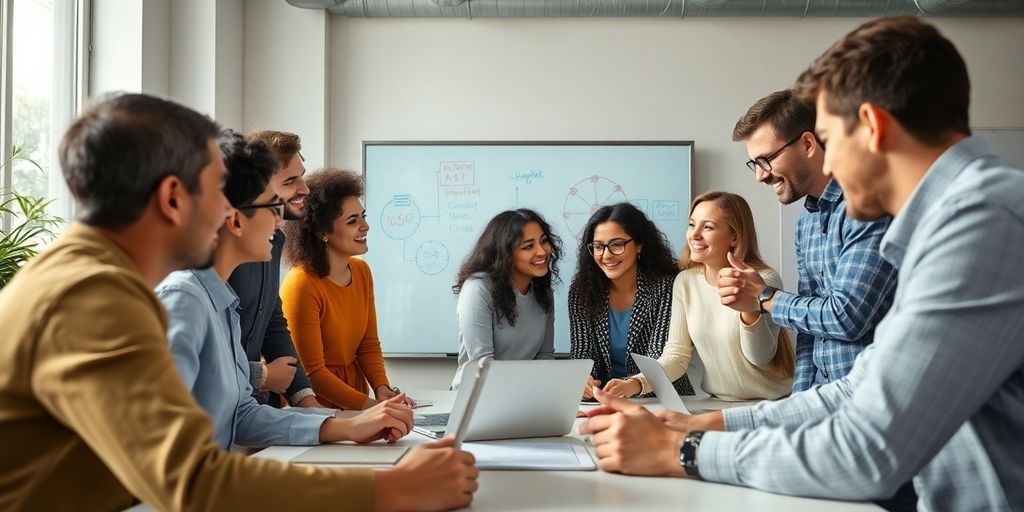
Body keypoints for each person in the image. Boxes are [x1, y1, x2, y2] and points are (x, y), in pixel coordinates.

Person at [580, 16, 1024, 512]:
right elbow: (854, 390)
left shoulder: (983, 219)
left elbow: (868, 450)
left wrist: (681, 451)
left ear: (873, 128)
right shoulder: (950, 218)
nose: (828, 168)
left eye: (831, 140)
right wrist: (702, 423)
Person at [0, 92, 477, 511]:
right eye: (217, 192)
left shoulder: (104, 280)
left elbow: (230, 420)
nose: (230, 211)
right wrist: (392, 492)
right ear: (172, 198)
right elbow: (191, 481)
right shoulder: (95, 298)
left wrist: (342, 428)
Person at [157, 130, 414, 449]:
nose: (282, 224)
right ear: (236, 221)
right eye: (273, 207)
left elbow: (243, 416)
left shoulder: (226, 304)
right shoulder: (184, 301)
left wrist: (349, 426)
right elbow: (162, 446)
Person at [725, 88, 898, 392]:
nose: (761, 177)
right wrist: (799, 403)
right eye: (755, 164)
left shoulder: (869, 209)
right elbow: (807, 330)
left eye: (765, 160)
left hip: (870, 405)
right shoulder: (806, 224)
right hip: (822, 405)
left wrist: (765, 297)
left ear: (807, 143)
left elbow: (846, 317)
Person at [623, 191, 793, 402]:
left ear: (735, 237)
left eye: (708, 227)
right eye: (692, 224)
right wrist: (635, 383)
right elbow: (676, 356)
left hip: (770, 404)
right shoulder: (686, 282)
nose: (694, 235)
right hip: (717, 402)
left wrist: (748, 309)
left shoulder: (764, 280)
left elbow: (760, 357)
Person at [281, 168, 407, 410]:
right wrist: (371, 408)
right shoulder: (301, 285)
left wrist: (383, 391)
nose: (366, 226)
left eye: (363, 216)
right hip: (318, 409)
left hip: (356, 400)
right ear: (322, 232)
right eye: (353, 221)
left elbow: (368, 344)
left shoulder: (361, 272)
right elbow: (313, 373)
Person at [227, 129, 318, 408]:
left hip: (251, 408)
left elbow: (271, 321)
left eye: (301, 176)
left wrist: (306, 400)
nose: (305, 189)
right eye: (291, 181)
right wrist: (263, 375)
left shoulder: (274, 239)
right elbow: (203, 362)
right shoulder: (221, 254)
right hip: (223, 408)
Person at [568, 202, 693, 400]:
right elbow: (583, 352)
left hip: (662, 399)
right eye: (598, 246)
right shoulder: (581, 290)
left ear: (639, 245)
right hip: (605, 400)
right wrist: (584, 380)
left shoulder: (666, 286)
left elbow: (658, 356)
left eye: (617, 244)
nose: (606, 255)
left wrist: (630, 385)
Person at [449, 209, 563, 389]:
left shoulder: (544, 292)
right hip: (475, 397)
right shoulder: (478, 288)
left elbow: (545, 358)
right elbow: (484, 366)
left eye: (544, 241)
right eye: (528, 246)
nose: (542, 252)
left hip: (523, 397)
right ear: (505, 253)